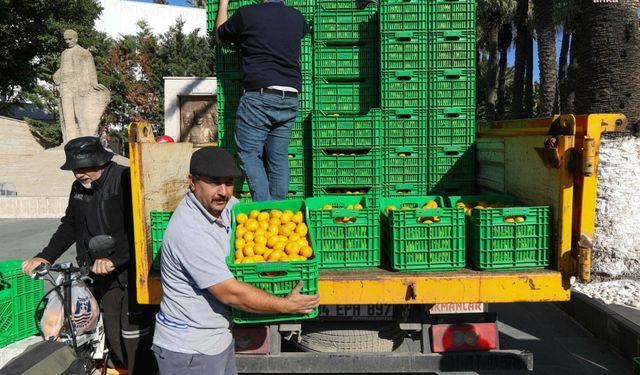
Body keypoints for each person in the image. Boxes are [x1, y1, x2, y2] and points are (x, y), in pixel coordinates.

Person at [152, 147, 319, 375]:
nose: (223, 191)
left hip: (215, 339)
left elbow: (257, 221)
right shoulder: (190, 231)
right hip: (189, 350)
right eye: (214, 182)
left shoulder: (224, 206)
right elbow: (229, 292)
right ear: (192, 181)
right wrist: (285, 305)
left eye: (229, 182)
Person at [21, 136, 157, 375]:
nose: (79, 174)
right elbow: (70, 225)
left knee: (132, 336)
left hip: (129, 274)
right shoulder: (79, 187)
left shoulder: (125, 179)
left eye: (85, 168)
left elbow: (139, 228)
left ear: (101, 162)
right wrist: (46, 256)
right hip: (95, 272)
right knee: (108, 334)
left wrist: (115, 259)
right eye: (75, 169)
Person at [216, 0, 309, 201]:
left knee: (249, 154)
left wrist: (223, 3)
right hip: (290, 96)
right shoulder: (296, 17)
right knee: (278, 157)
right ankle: (279, 215)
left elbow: (221, 36)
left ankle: (265, 213)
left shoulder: (247, 14)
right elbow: (297, 32)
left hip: (260, 96)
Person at [52, 29, 110, 142]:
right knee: (67, 116)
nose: (68, 41)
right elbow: (64, 68)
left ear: (76, 39)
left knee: (80, 115)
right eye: (66, 40)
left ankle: (86, 139)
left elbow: (90, 68)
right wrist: (56, 76)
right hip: (65, 86)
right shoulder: (64, 53)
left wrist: (94, 83)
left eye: (70, 39)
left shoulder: (83, 52)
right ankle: (69, 141)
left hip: (78, 86)